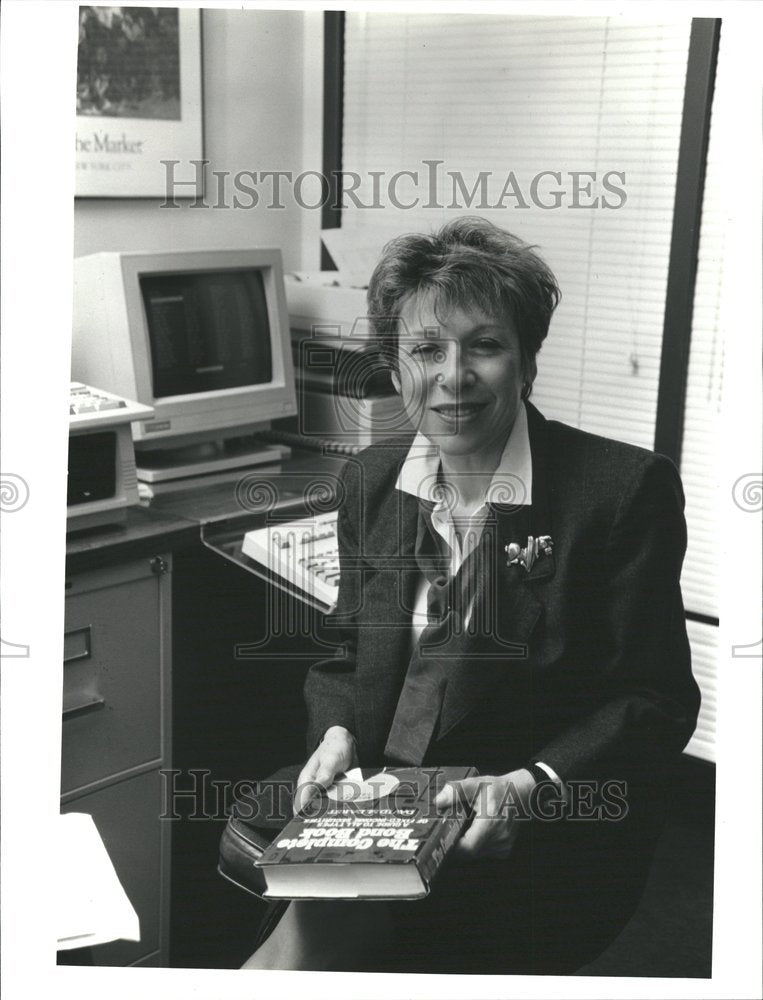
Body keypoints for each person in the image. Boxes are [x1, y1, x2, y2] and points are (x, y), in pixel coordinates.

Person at [242, 217, 701, 975]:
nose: (452, 375)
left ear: (525, 363)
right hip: (379, 804)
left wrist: (530, 787)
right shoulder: (370, 481)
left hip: (526, 828)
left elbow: (651, 699)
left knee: (301, 960)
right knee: (297, 956)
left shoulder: (619, 491)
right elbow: (345, 652)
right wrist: (334, 737)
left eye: (483, 345)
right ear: (393, 369)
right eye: (425, 349)